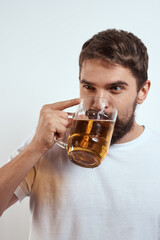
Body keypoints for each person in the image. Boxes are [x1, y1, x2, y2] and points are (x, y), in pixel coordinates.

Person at [1, 28, 160, 240]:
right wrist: (35, 148)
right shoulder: (47, 143)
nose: (99, 104)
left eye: (115, 88)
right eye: (89, 87)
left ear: (142, 91)